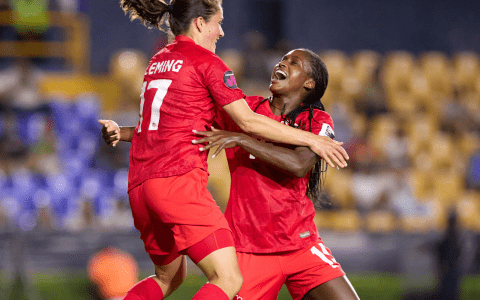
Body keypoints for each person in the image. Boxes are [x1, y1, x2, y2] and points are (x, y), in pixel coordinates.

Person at [102, 1, 349, 300]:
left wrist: (123, 131)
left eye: (293, 62)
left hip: (144, 184)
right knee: (226, 278)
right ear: (200, 23)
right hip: (200, 204)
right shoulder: (223, 81)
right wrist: (307, 139)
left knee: (168, 277)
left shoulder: (158, 61)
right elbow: (245, 121)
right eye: (217, 23)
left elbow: (168, 123)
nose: (221, 32)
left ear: (310, 83)